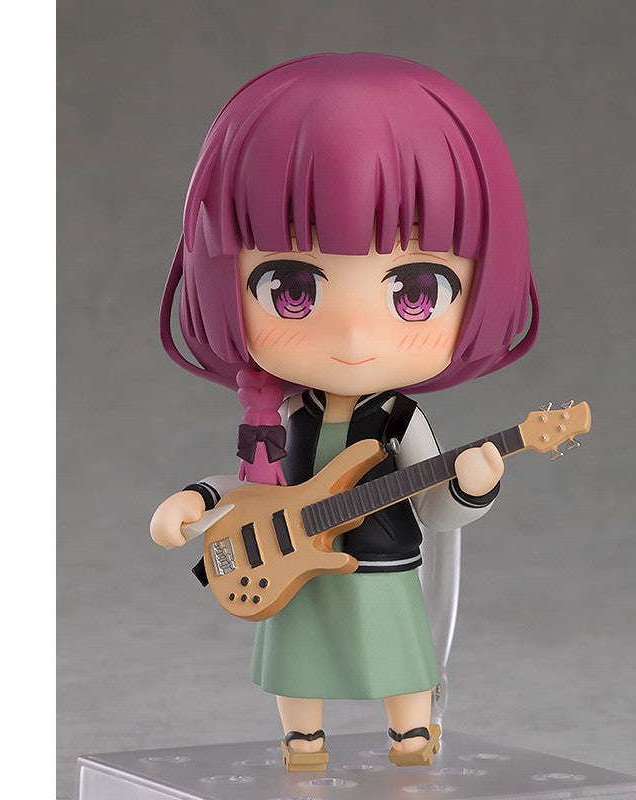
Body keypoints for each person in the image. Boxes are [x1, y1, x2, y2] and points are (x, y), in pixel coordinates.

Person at [149, 52, 539, 771]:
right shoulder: (281, 413)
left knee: (398, 651)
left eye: (414, 293)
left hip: (381, 563)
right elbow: (256, 492)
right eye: (292, 290)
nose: (355, 336)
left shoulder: (398, 421)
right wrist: (197, 500)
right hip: (290, 566)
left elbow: (436, 507)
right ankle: (303, 738)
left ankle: (410, 734)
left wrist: (472, 487)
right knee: (297, 655)